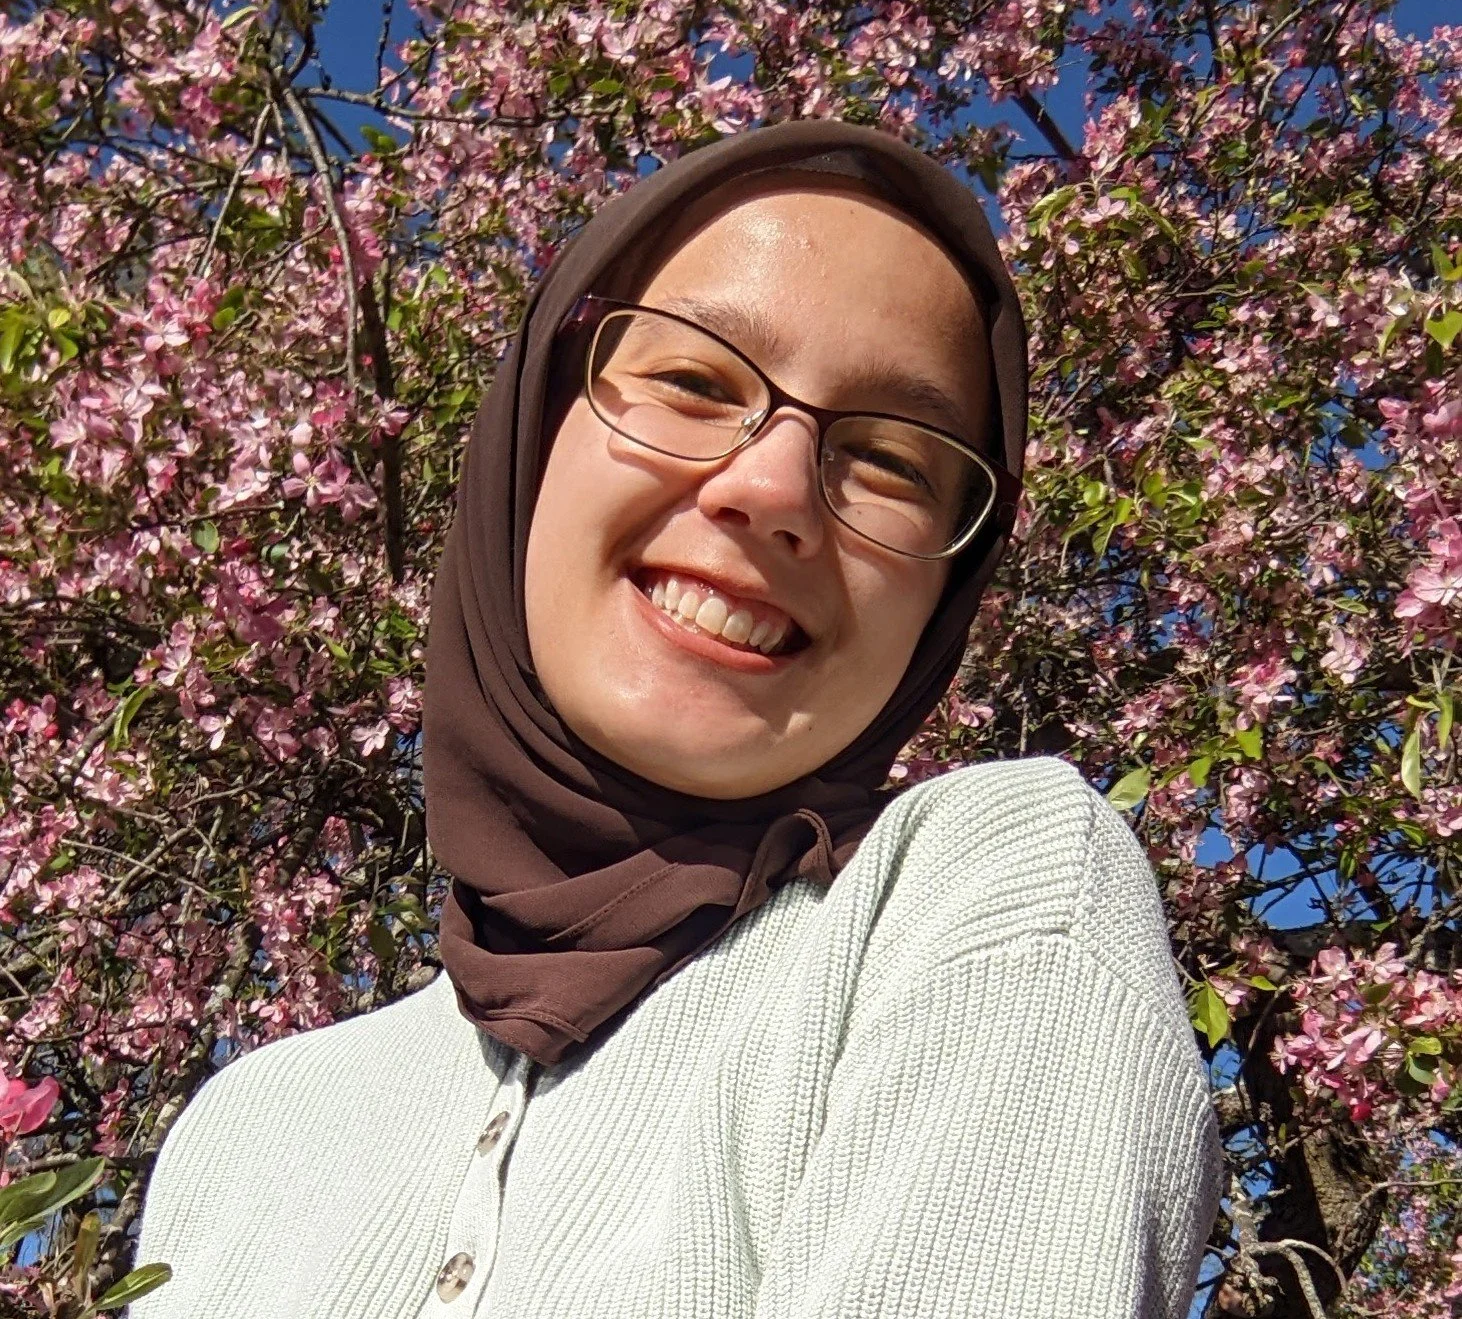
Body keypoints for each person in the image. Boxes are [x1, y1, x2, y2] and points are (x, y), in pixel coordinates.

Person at [131, 120, 1223, 1318]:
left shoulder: (988, 896)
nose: (771, 489)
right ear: (535, 428)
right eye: (695, 382)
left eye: (893, 460)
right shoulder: (246, 1129)